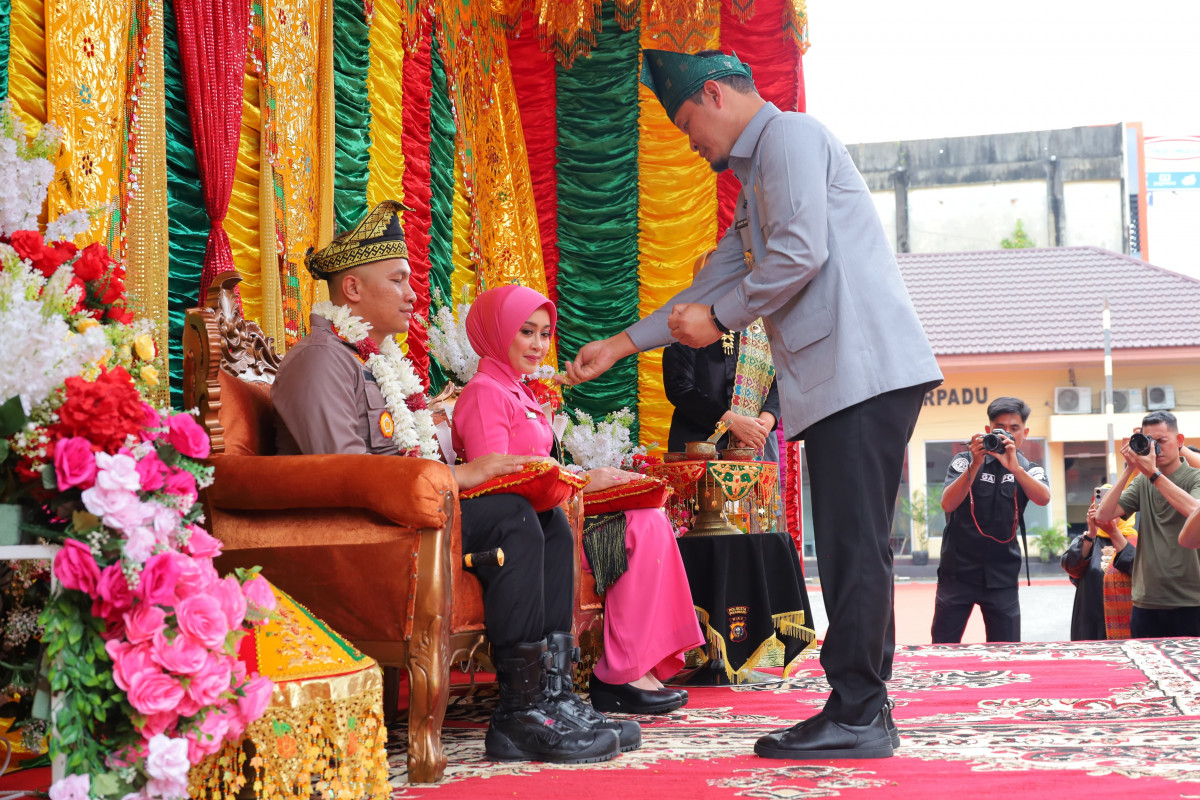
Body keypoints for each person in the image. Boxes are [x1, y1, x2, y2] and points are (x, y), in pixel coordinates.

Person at [563, 49, 943, 760]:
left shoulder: (791, 137)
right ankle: (863, 706)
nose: (690, 140)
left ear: (714, 94)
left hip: (861, 372)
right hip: (845, 378)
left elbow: (800, 253)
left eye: (685, 123)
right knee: (853, 545)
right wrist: (619, 344)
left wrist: (722, 318)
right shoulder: (762, 168)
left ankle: (860, 711)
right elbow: (715, 282)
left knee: (854, 547)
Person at [271, 201, 623, 765]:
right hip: (373, 532)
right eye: (398, 281)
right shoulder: (321, 361)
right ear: (353, 290)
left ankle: (550, 696)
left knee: (547, 518)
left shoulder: (370, 358)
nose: (413, 294)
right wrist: (460, 475)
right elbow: (342, 477)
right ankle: (517, 715)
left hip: (411, 513)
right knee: (512, 518)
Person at [452, 284, 705, 716]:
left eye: (545, 334)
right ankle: (621, 672)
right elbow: (495, 486)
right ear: (497, 332)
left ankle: (633, 666)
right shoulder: (485, 392)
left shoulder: (520, 392)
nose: (538, 345)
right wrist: (586, 481)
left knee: (650, 516)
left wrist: (597, 483)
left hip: (551, 519)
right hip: (527, 532)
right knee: (642, 526)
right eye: (526, 331)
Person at [932, 397, 1051, 644]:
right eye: (1000, 428)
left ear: (1025, 433)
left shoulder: (1029, 468)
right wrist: (975, 466)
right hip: (958, 572)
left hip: (1002, 575)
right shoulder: (965, 460)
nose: (1007, 434)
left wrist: (1015, 469)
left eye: (1014, 428)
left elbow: (1043, 498)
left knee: (1006, 652)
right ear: (988, 430)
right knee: (943, 648)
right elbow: (947, 503)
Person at [1097, 411, 1200, 638]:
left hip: (1192, 600)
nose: (1156, 449)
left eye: (1161, 441)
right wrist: (1129, 469)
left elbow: (1195, 511)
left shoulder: (1195, 478)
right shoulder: (1143, 480)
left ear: (1180, 441)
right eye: (1150, 442)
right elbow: (1104, 516)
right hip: (1147, 601)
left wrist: (1153, 474)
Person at [662, 331, 781, 458]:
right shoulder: (689, 322)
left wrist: (760, 431)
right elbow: (678, 385)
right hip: (701, 444)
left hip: (759, 445)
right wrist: (732, 422)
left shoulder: (765, 323)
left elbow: (781, 380)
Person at [1061, 486, 1136, 640]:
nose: (1107, 511)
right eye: (1103, 505)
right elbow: (1071, 567)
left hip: (1126, 621)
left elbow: (1138, 570)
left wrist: (1114, 532)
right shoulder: (1088, 540)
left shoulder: (1136, 541)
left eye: (1114, 506)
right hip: (1090, 623)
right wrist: (1091, 534)